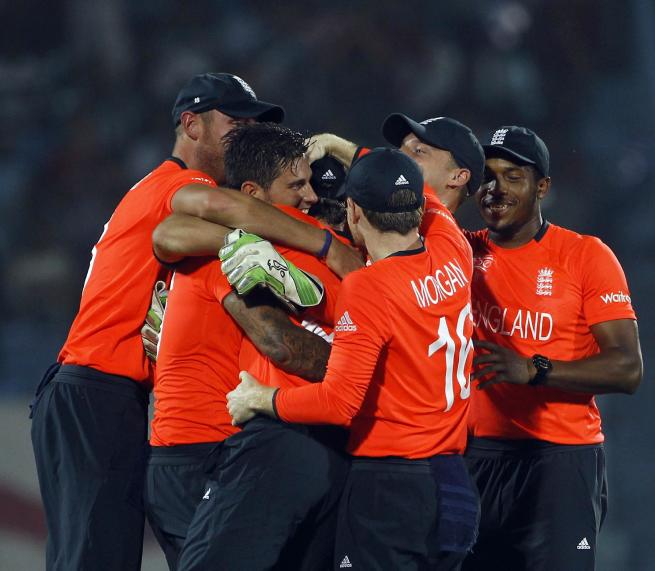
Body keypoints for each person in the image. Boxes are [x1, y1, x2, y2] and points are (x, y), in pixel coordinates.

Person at [28, 71, 347, 571]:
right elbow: (217, 208)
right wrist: (323, 244)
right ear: (190, 123)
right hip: (98, 388)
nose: (243, 131)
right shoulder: (181, 182)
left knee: (99, 555)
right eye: (233, 120)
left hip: (105, 390)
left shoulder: (164, 192)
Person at [226, 148, 480, 570]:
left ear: (354, 211)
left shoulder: (368, 288)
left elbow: (339, 403)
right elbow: (432, 201)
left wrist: (262, 398)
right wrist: (355, 150)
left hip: (391, 488)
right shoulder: (453, 250)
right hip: (454, 484)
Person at [146, 122, 348, 569]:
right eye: (298, 186)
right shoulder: (233, 251)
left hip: (215, 449)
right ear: (253, 195)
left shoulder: (257, 243)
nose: (311, 200)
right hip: (200, 451)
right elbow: (280, 344)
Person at [462, 126, 643, 571]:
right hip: (474, 458)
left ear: (542, 186)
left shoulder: (585, 256)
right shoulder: (459, 253)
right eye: (487, 177)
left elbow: (627, 369)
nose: (495, 189)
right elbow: (403, 198)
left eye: (512, 176)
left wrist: (535, 369)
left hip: (560, 460)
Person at [306, 112, 485, 213]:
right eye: (400, 151)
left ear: (458, 177)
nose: (398, 159)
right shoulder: (381, 217)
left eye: (418, 151)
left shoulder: (447, 245)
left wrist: (333, 143)